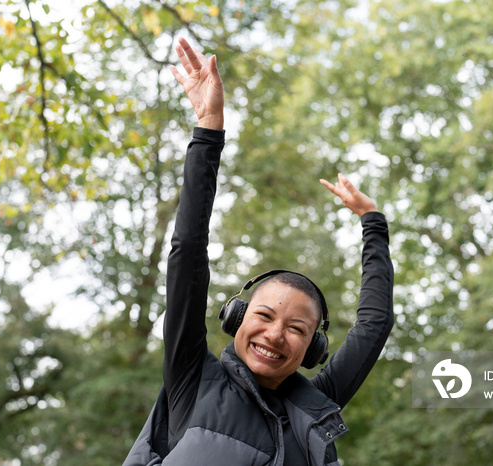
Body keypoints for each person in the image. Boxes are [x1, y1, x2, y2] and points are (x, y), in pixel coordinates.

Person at [122, 38, 394, 466]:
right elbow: (187, 254)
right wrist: (208, 129)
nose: (274, 334)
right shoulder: (194, 377)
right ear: (237, 318)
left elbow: (375, 324)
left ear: (313, 350)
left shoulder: (312, 408)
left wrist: (373, 223)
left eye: (296, 329)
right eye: (265, 316)